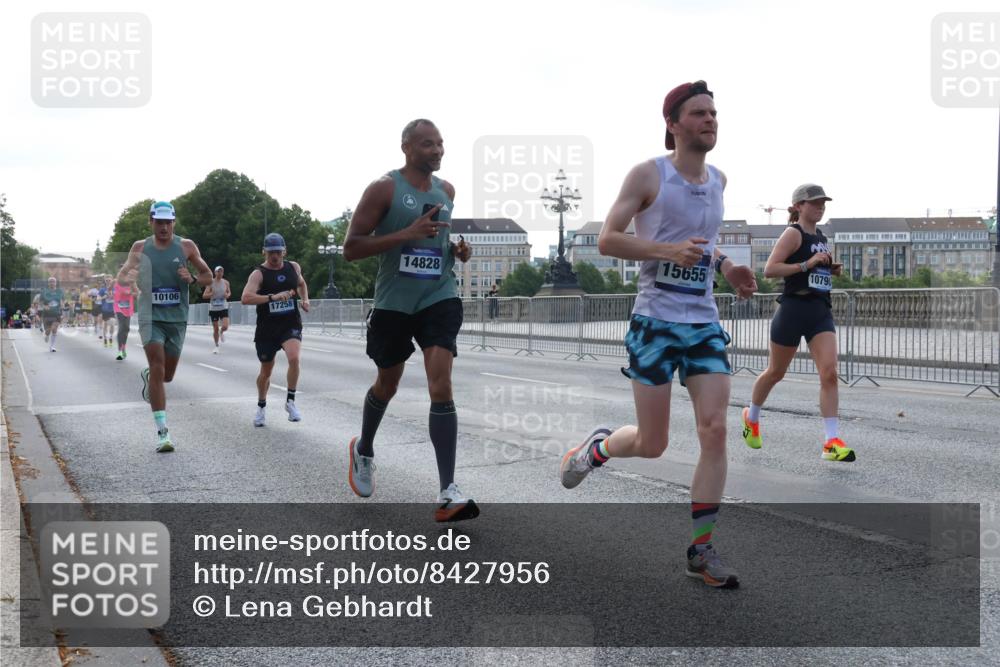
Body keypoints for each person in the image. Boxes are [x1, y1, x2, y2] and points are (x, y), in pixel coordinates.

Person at [559, 81, 757, 588]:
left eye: (714, 113)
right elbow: (607, 239)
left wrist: (729, 265)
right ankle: (596, 450)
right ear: (673, 123)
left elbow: (705, 246)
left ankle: (701, 549)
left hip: (704, 322)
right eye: (698, 113)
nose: (710, 120)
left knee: (714, 429)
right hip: (654, 320)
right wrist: (667, 253)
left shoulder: (719, 180)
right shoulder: (649, 174)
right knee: (653, 444)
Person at [343, 118, 478, 523]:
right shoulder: (384, 188)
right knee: (389, 383)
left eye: (440, 144)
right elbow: (352, 248)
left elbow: (435, 241)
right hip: (393, 303)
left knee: (441, 381)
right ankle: (363, 449)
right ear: (406, 147)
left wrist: (456, 250)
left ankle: (448, 491)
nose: (437, 151)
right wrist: (408, 233)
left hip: (438, 296)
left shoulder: (446, 192)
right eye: (427, 144)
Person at [741, 184, 854, 462]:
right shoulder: (793, 233)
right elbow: (770, 269)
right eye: (814, 202)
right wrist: (807, 264)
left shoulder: (821, 236)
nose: (821, 206)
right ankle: (751, 417)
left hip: (819, 309)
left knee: (829, 373)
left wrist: (828, 268)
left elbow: (814, 266)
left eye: (823, 202)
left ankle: (831, 442)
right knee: (775, 373)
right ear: (798, 206)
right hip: (793, 309)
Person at [118, 200, 212, 453]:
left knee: (166, 375)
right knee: (157, 366)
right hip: (150, 317)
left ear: (173, 222)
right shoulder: (140, 247)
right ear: (151, 222)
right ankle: (163, 433)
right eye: (159, 222)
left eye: (168, 222)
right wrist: (131, 277)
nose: (163, 227)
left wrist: (192, 278)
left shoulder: (186, 246)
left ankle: (152, 379)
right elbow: (122, 277)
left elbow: (208, 276)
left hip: (177, 318)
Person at [241, 234, 310, 426]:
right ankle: (262, 406)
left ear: (284, 251)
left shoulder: (293, 267)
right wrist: (271, 297)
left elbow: (302, 284)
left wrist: (305, 299)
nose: (275, 256)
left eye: (278, 252)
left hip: (290, 323)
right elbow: (245, 298)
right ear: (264, 252)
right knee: (266, 371)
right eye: (271, 252)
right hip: (267, 328)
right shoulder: (258, 274)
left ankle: (290, 401)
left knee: (294, 357)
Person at [203, 266, 231, 354]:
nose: (220, 273)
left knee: (225, 326)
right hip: (214, 308)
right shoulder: (210, 283)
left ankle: (221, 331)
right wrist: (211, 293)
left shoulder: (226, 282)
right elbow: (204, 296)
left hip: (223, 307)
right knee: (215, 328)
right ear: (215, 273)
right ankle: (216, 346)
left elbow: (229, 292)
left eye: (221, 272)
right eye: (218, 272)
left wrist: (227, 295)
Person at [113, 269, 138, 361]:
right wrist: (130, 292)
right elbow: (118, 293)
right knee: (122, 327)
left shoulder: (132, 283)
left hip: (128, 308)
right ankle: (120, 350)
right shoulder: (117, 283)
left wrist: (134, 293)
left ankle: (123, 347)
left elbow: (137, 294)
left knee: (126, 328)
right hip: (119, 308)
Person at [39, 277, 64, 352]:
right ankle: (46, 335)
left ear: (56, 283)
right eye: (50, 282)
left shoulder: (60, 291)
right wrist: (44, 306)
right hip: (47, 314)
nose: (52, 283)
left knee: (54, 329)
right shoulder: (44, 291)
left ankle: (52, 346)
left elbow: (62, 300)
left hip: (57, 313)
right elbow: (40, 302)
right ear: (48, 283)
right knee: (48, 331)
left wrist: (62, 305)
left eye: (53, 281)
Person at [99, 275, 117, 347]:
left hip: (113, 309)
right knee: (105, 325)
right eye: (107, 280)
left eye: (109, 280)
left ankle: (111, 337)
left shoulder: (115, 289)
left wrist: (114, 296)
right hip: (105, 309)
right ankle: (105, 338)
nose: (108, 282)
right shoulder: (102, 290)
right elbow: (98, 298)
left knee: (112, 323)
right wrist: (105, 296)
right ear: (105, 281)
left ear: (112, 281)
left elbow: (119, 297)